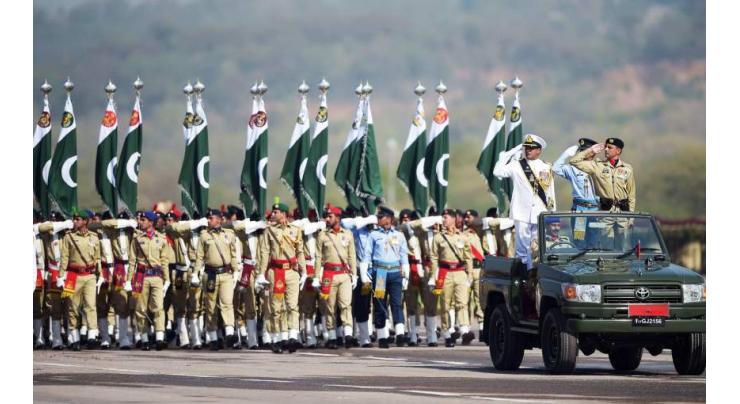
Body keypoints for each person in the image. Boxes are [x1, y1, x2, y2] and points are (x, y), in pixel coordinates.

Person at [493, 133, 556, 269]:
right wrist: (509, 154)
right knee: (522, 246)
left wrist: (552, 212)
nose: (528, 150)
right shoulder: (516, 165)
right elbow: (497, 172)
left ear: (538, 150)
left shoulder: (546, 167)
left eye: (531, 148)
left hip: (540, 211)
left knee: (537, 245)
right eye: (526, 148)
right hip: (521, 212)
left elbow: (550, 191)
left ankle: (533, 272)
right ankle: (522, 273)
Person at [257, 202, 306, 354]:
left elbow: (300, 252)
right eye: (273, 212)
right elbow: (265, 253)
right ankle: (277, 338)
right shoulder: (269, 231)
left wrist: (304, 271)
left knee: (292, 305)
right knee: (276, 307)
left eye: (276, 212)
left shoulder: (296, 231)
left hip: (291, 271)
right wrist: (261, 273)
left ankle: (292, 336)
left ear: (284, 214)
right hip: (275, 271)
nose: (273, 215)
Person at [362, 206, 410, 348]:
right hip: (380, 273)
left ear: (389, 218)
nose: (378, 220)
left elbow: (403, 256)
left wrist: (406, 275)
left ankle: (400, 333)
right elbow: (367, 255)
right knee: (380, 304)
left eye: (381, 217)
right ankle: (383, 336)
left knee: (397, 303)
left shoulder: (399, 235)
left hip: (395, 273)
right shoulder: (374, 235)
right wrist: (364, 273)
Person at [193, 208, 240, 351]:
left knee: (227, 303)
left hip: (225, 274)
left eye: (211, 218)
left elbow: (233, 254)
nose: (208, 220)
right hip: (210, 274)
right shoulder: (204, 235)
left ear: (219, 219)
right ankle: (213, 338)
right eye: (208, 218)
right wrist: (195, 273)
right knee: (211, 306)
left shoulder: (229, 234)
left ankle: (230, 333)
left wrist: (236, 270)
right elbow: (200, 257)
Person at [428, 208, 474, 348]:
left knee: (462, 302)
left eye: (446, 217)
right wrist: (433, 276)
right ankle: (447, 333)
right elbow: (434, 258)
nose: (443, 220)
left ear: (454, 219)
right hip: (445, 272)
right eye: (443, 217)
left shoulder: (463, 237)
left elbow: (468, 257)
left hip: (460, 272)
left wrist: (470, 275)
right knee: (445, 305)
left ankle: (465, 329)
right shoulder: (438, 238)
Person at [125, 211, 170, 351]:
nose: (141, 222)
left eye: (144, 220)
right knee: (140, 308)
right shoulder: (137, 239)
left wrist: (167, 279)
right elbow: (132, 261)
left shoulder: (161, 239)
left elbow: (164, 261)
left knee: (158, 307)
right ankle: (144, 339)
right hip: (141, 276)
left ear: (151, 222)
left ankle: (159, 338)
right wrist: (128, 280)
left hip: (156, 277)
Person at [58, 209, 102, 350]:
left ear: (85, 221)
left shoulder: (94, 237)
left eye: (78, 219)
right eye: (74, 219)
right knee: (72, 307)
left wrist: (100, 274)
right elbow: (64, 257)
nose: (75, 221)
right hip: (72, 275)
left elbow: (97, 258)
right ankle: (74, 337)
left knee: (91, 305)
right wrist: (61, 276)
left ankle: (92, 335)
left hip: (89, 275)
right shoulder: (68, 237)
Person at [315, 204, 357, 349]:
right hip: (328, 275)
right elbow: (318, 257)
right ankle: (332, 336)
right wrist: (316, 276)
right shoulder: (322, 235)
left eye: (330, 216)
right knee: (330, 307)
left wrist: (355, 275)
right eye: (326, 216)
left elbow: (352, 256)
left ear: (338, 218)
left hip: (344, 274)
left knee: (346, 304)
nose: (327, 219)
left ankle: (348, 334)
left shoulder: (348, 234)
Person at [227, 209, 267, 349]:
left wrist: (262, 224)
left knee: (266, 303)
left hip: (262, 269)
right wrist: (254, 224)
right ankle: (252, 340)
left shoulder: (262, 231)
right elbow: (235, 226)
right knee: (249, 306)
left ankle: (267, 337)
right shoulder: (242, 229)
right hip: (247, 269)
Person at [569, 137, 636, 212]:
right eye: (606, 147)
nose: (606, 149)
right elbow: (573, 161)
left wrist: (631, 217)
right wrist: (590, 150)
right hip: (605, 215)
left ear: (618, 151)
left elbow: (631, 196)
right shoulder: (597, 166)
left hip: (623, 215)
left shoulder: (627, 168)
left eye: (609, 147)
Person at [37, 212, 74, 350]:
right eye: (52, 220)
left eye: (56, 220)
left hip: (69, 272)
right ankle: (57, 339)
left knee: (70, 306)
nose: (54, 222)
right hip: (54, 271)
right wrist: (62, 224)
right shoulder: (49, 233)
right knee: (55, 306)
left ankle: (71, 337)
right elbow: (42, 227)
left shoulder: (69, 234)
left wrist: (68, 225)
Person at [398, 209, 423, 347]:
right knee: (390, 303)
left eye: (409, 219)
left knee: (413, 304)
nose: (406, 221)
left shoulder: (421, 234)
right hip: (389, 272)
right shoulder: (399, 233)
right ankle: (386, 333)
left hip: (412, 269)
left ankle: (413, 332)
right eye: (403, 218)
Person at [462, 209, 485, 344]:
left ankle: (482, 329)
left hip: (480, 269)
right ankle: (466, 330)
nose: (467, 219)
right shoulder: (463, 234)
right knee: (465, 301)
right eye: (466, 216)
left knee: (480, 300)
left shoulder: (484, 232)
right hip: (467, 270)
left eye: (470, 217)